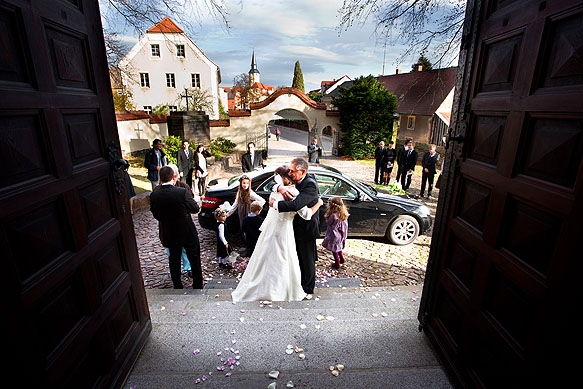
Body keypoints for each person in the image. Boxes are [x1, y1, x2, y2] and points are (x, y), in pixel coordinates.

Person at [232, 166, 323, 302]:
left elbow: (273, 185)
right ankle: (281, 289)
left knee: (267, 259)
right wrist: (319, 204)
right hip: (285, 231)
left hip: (271, 230)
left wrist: (276, 198)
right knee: (284, 260)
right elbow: (307, 214)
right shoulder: (292, 192)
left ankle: (266, 287)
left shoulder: (275, 191)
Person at [269, 157, 320, 295]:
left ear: (302, 171)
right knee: (297, 257)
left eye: (292, 171)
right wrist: (279, 187)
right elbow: (271, 183)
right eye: (289, 171)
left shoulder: (310, 184)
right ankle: (298, 283)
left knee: (307, 259)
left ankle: (308, 289)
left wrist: (274, 204)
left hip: (306, 227)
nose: (290, 173)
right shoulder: (295, 180)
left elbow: (296, 205)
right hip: (294, 226)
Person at [149, 165, 203, 289]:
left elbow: (155, 214)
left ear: (160, 178)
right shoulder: (182, 192)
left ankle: (177, 285)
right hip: (186, 230)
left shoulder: (154, 195)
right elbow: (195, 209)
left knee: (174, 259)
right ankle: (198, 284)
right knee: (194, 257)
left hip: (168, 231)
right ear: (173, 177)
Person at [154, 164, 195, 278]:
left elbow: (191, 204)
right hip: (167, 228)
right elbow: (156, 212)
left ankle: (189, 268)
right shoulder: (157, 191)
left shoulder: (184, 187)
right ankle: (176, 275)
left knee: (185, 250)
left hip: (182, 226)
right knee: (172, 252)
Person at [321, 197, 349, 269]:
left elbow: (328, 223)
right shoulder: (343, 214)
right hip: (341, 234)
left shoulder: (333, 215)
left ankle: (337, 262)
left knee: (334, 250)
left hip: (334, 235)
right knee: (338, 246)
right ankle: (342, 258)